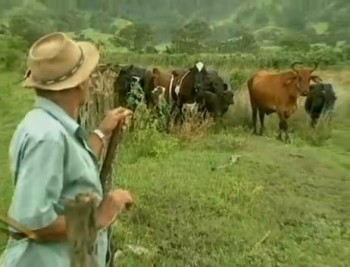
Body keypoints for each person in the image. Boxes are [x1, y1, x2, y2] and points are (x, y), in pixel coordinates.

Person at [2, 32, 134, 267]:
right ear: (79, 83)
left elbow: (70, 170)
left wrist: (102, 133)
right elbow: (34, 220)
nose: (91, 81)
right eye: (88, 75)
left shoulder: (43, 125)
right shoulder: (48, 138)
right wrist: (100, 216)